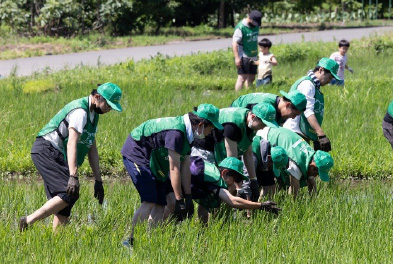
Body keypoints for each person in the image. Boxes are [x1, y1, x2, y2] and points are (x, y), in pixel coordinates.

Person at [19, 82, 123, 232]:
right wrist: (73, 176)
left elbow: (91, 148)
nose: (109, 110)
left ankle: (56, 244)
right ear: (97, 97)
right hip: (46, 150)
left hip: (57, 154)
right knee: (67, 193)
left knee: (65, 205)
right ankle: (27, 221)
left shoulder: (94, 114)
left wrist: (98, 180)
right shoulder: (80, 111)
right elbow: (72, 143)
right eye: (108, 105)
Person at [121, 103, 223, 247]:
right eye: (210, 128)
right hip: (137, 152)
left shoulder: (190, 134)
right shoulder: (177, 133)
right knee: (150, 200)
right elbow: (174, 168)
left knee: (162, 202)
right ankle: (129, 241)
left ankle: (150, 241)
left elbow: (185, 166)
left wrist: (187, 196)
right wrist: (179, 199)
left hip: (155, 158)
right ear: (201, 124)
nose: (210, 133)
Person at [192, 103, 279, 203]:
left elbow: (248, 153)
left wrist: (253, 180)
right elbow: (231, 163)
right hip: (205, 146)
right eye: (262, 124)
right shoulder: (233, 125)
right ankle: (211, 214)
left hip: (219, 148)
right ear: (253, 116)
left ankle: (227, 212)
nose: (263, 128)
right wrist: (240, 188)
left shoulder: (250, 124)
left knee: (229, 183)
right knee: (216, 185)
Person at [166, 157, 281, 224]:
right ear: (225, 173)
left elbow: (203, 208)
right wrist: (261, 205)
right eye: (235, 179)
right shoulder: (215, 178)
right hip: (167, 180)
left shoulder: (209, 177)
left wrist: (203, 234)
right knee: (168, 208)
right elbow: (233, 201)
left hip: (171, 178)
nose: (235, 184)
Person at [257, 126, 334, 198]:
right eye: (317, 173)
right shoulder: (296, 165)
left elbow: (311, 181)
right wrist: (295, 207)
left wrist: (314, 200)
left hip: (275, 130)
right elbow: (294, 193)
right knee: (267, 185)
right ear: (313, 166)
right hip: (265, 136)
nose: (316, 176)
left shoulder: (310, 156)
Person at [283, 58, 340, 152]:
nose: (330, 81)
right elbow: (308, 111)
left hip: (301, 133)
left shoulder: (314, 86)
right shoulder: (307, 84)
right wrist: (321, 135)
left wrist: (314, 138)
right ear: (321, 70)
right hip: (294, 132)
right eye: (330, 77)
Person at [230, 90, 307, 126]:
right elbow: (255, 128)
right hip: (234, 117)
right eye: (294, 114)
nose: (293, 118)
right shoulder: (264, 106)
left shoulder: (282, 112)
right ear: (288, 105)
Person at [232, 10, 262, 91]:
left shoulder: (255, 26)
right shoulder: (241, 27)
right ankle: (237, 97)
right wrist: (237, 58)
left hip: (254, 55)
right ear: (250, 19)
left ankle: (248, 95)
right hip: (243, 56)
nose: (256, 25)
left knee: (252, 78)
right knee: (242, 78)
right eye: (255, 22)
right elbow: (234, 43)